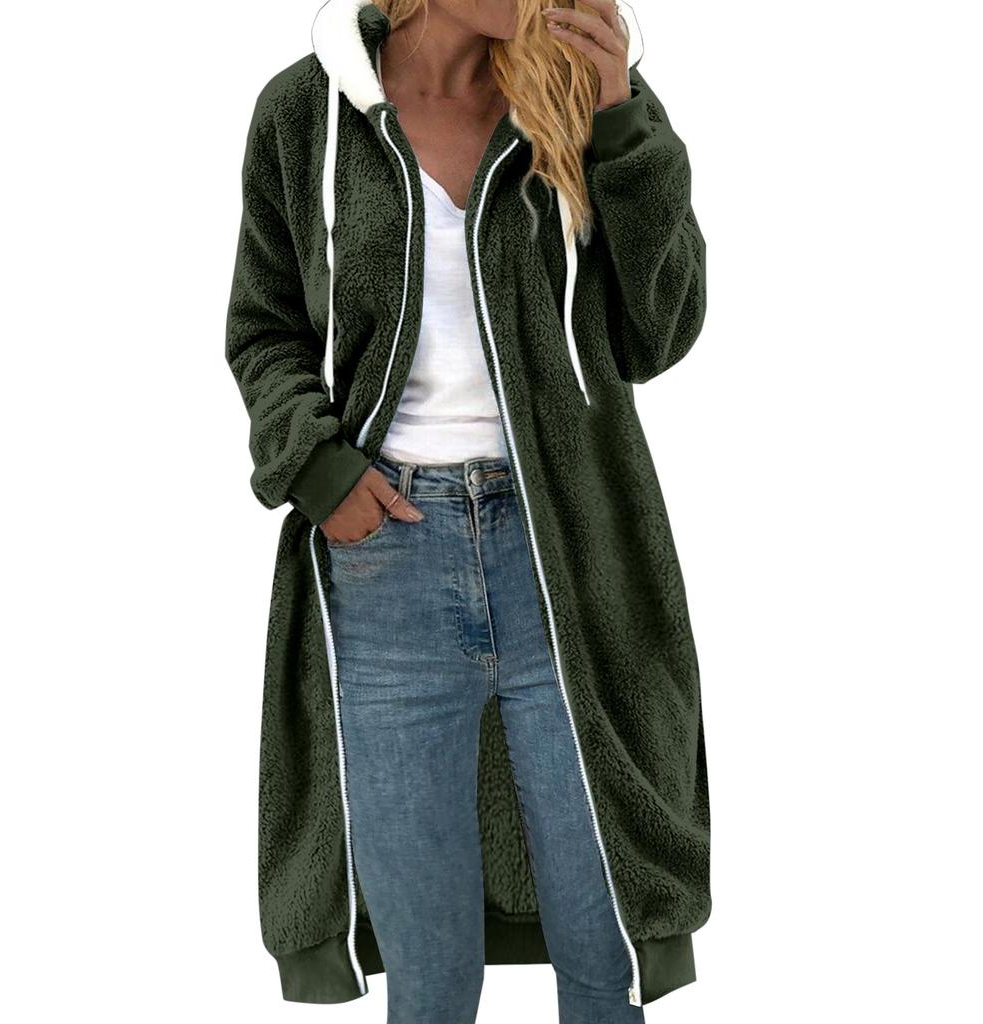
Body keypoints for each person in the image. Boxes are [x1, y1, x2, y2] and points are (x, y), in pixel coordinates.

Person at [224, 1, 710, 1021]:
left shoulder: (584, 96)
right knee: (431, 978)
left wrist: (619, 122)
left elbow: (656, 332)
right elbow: (265, 326)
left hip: (565, 551)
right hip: (386, 565)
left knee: (605, 953)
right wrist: (319, 469)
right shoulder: (305, 113)